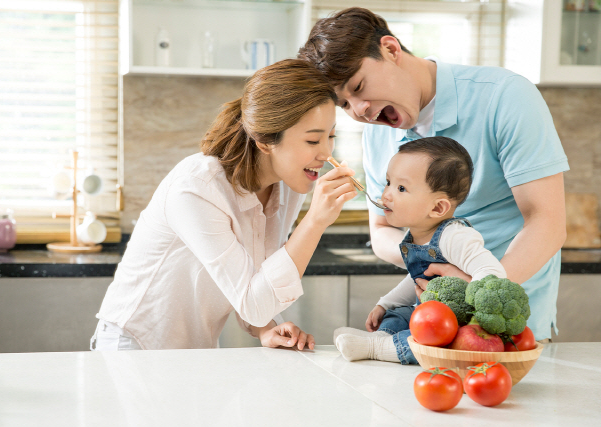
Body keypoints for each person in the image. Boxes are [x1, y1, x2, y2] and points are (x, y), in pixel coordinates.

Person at [298, 7, 568, 343]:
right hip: (431, 323)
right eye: (345, 105)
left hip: (509, 327)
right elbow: (381, 230)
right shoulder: (378, 134)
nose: (360, 111)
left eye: (359, 86)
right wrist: (435, 264)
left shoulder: (506, 96)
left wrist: (476, 290)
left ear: (391, 49)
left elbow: (547, 223)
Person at [90, 59, 358, 351]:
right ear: (265, 140)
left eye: (331, 136)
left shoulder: (290, 185)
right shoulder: (197, 188)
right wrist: (315, 222)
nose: (326, 153)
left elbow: (252, 276)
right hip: (134, 345)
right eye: (312, 140)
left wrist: (266, 328)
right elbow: (251, 301)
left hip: (195, 351)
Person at [334, 136, 506, 364]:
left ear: (437, 207)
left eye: (401, 188)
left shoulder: (455, 236)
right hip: (428, 314)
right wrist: (385, 303)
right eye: (388, 182)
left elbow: (495, 274)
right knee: (399, 314)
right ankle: (383, 337)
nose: (386, 194)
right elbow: (415, 280)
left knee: (429, 338)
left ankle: (376, 347)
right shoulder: (415, 236)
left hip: (454, 327)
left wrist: (466, 290)